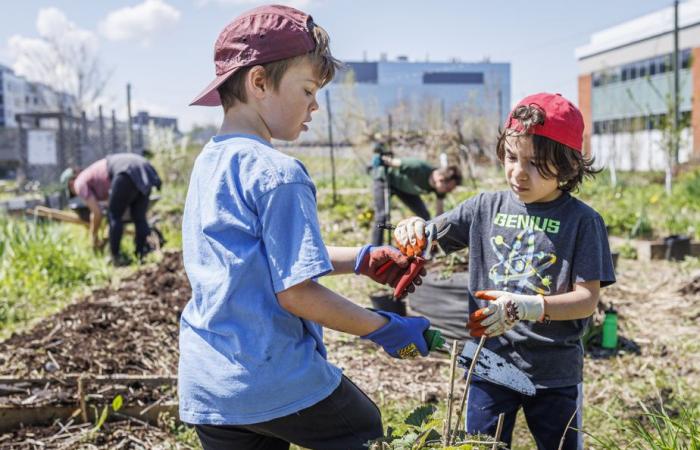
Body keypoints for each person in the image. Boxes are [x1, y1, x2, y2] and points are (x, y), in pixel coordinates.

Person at [179, 6, 431, 450]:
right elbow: (295, 292)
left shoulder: (210, 163)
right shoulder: (279, 172)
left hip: (212, 385)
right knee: (368, 430)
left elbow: (261, 260)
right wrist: (382, 327)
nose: (315, 105)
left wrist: (360, 259)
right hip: (275, 378)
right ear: (259, 83)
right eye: (309, 89)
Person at [392, 93, 616, 450]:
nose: (518, 172)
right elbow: (429, 240)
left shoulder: (583, 222)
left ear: (569, 166)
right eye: (512, 157)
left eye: (536, 163)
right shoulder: (485, 207)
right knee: (480, 445)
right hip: (487, 362)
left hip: (553, 372)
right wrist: (414, 228)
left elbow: (586, 300)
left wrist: (526, 307)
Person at [60, 153, 161, 266]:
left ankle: (115, 257)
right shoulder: (92, 175)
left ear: (70, 183)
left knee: (114, 216)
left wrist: (93, 236)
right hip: (145, 168)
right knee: (139, 217)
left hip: (126, 172)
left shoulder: (79, 183)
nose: (76, 194)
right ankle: (142, 254)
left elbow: (96, 212)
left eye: (71, 192)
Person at [371, 140, 461, 246]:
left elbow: (439, 215)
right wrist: (381, 158)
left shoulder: (439, 189)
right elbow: (391, 162)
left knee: (424, 216)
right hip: (385, 180)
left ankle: (424, 246)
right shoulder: (418, 167)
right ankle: (374, 249)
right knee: (382, 215)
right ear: (441, 179)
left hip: (405, 190)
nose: (447, 191)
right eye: (448, 188)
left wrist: (438, 234)